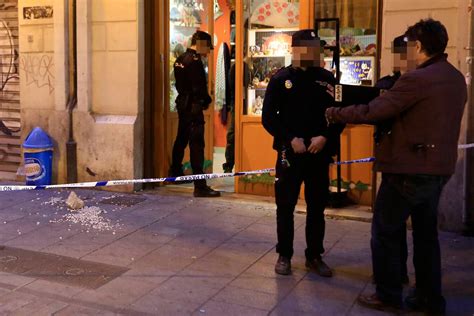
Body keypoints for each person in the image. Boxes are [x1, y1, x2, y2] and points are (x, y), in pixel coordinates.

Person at [326, 19, 467, 314]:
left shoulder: (416, 79)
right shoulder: (454, 77)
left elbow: (376, 110)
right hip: (438, 169)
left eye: (409, 46)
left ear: (418, 46)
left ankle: (388, 295)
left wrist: (335, 112)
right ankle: (429, 298)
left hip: (408, 169)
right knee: (426, 236)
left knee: (386, 231)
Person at [262, 29, 344, 277]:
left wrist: (326, 137)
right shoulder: (280, 79)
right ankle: (284, 255)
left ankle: (314, 255)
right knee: (285, 206)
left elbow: (341, 114)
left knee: (317, 206)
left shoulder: (329, 79)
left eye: (316, 48)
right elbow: (268, 118)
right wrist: (290, 139)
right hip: (291, 154)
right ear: (295, 50)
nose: (313, 53)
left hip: (318, 153)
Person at [169, 31, 221, 198]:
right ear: (201, 44)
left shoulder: (180, 60)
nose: (208, 52)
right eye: (207, 48)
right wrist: (206, 100)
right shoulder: (195, 62)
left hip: (182, 105)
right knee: (197, 145)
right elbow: (198, 88)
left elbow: (179, 84)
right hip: (193, 107)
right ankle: (200, 185)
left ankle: (174, 173)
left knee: (181, 139)